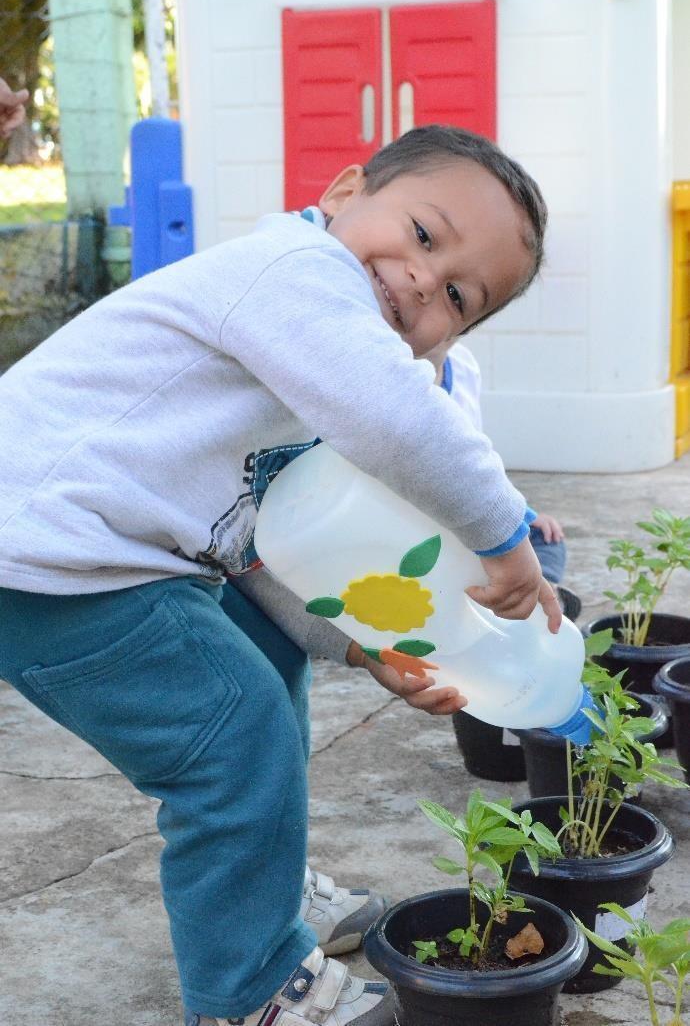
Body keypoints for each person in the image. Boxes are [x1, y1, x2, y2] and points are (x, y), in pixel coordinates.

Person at [0, 125, 558, 1026]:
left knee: (266, 659)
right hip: (49, 555)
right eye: (423, 233)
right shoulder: (295, 273)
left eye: (458, 292)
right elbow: (402, 421)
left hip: (111, 552)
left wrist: (356, 645)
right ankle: (250, 989)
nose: (423, 278)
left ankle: (263, 885)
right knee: (236, 734)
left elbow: (260, 547)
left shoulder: (309, 368)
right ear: (344, 193)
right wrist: (502, 536)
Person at [432, 339, 582, 621]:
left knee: (545, 536)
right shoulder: (390, 375)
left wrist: (519, 513)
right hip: (422, 519)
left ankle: (540, 588)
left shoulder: (462, 363)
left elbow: (478, 464)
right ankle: (515, 598)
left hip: (467, 511)